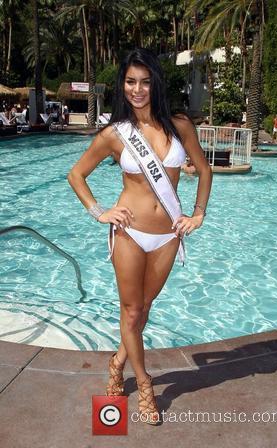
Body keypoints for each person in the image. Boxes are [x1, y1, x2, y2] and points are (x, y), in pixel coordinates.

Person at [67, 48, 212, 425]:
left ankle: (117, 363)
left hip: (167, 238)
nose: (138, 89)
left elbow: (205, 170)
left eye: (145, 82)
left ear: (155, 84)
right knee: (131, 313)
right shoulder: (115, 134)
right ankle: (144, 385)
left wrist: (198, 214)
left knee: (142, 311)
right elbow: (76, 175)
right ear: (123, 85)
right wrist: (100, 211)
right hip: (129, 233)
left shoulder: (180, 125)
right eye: (131, 81)